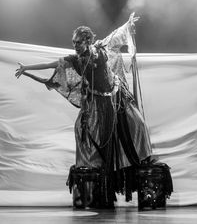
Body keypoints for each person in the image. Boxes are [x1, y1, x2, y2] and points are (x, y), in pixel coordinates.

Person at [15, 13, 152, 207]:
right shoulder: (76, 59)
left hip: (115, 97)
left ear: (88, 41)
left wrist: (128, 25)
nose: (75, 46)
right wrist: (27, 67)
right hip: (96, 102)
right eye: (73, 42)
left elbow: (116, 35)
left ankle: (136, 160)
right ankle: (94, 172)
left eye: (78, 42)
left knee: (135, 124)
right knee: (83, 130)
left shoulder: (100, 48)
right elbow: (52, 64)